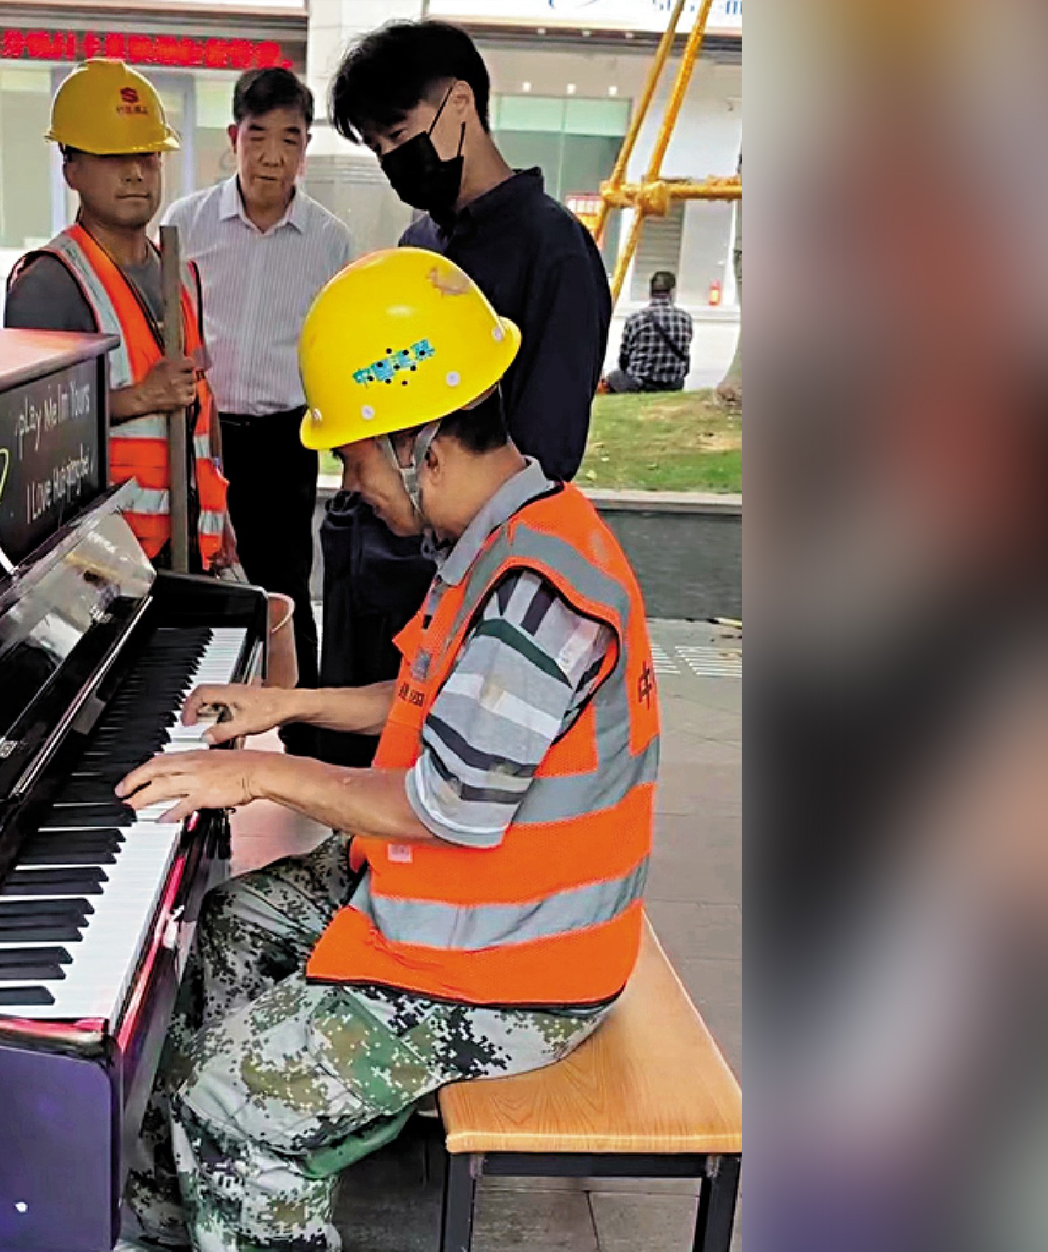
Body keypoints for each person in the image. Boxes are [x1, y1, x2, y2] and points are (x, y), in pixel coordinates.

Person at [111, 248, 660, 1252]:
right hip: (471, 906)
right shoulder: (509, 537)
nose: (351, 481)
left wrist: (257, 771)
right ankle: (186, 1211)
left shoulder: (540, 592)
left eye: (356, 455)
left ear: (421, 442)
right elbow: (424, 707)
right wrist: (290, 704)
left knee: (223, 1091)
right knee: (238, 919)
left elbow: (446, 802)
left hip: (519, 970)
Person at [314, 20, 614, 768]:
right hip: (373, 567)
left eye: (398, 133)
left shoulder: (554, 253)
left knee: (433, 794)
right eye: (377, 148)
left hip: (466, 590)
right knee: (359, 784)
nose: (392, 160)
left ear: (460, 106)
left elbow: (544, 462)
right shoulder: (423, 243)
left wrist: (419, 509)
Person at [161, 69, 352, 753]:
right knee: (200, 584)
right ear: (233, 138)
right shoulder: (184, 224)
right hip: (201, 439)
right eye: (259, 136)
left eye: (291, 139)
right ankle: (201, 741)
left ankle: (309, 751)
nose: (273, 155)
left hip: (283, 443)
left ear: (306, 149)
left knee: (284, 591)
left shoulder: (330, 240)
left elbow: (338, 348)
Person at [3, 58, 232, 570]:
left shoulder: (180, 274)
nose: (136, 173)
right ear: (72, 170)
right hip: (106, 570)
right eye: (113, 157)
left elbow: (202, 410)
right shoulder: (49, 283)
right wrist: (138, 397)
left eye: (148, 156)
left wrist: (220, 515)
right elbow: (27, 442)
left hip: (191, 553)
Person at [606, 270, 694, 393]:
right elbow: (685, 355)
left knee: (613, 377)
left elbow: (624, 357)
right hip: (673, 383)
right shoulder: (685, 319)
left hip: (641, 383)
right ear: (672, 292)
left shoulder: (636, 318)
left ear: (650, 291)